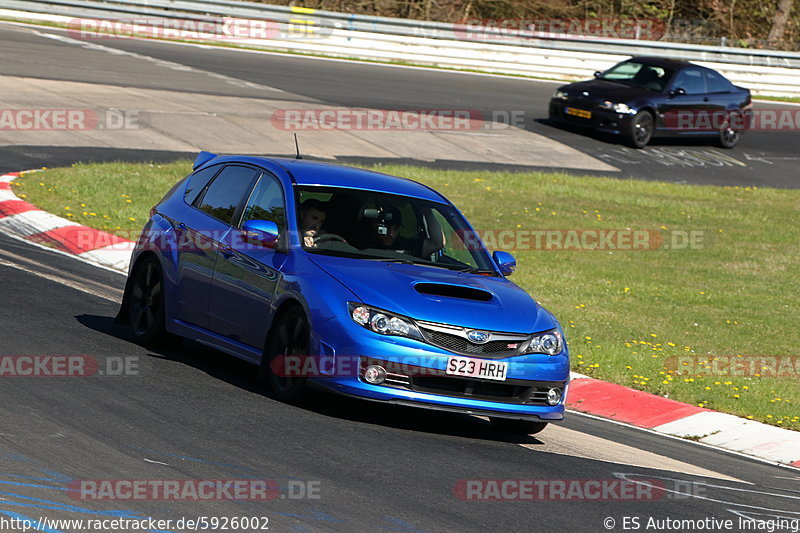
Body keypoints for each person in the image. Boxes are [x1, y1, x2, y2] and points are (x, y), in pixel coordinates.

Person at [364, 205, 444, 258]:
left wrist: (426, 211)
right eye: (386, 229)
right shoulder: (363, 244)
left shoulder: (409, 246)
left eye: (395, 229)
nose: (391, 234)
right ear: (376, 226)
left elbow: (437, 243)